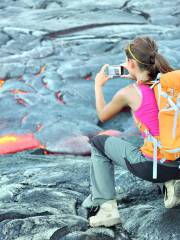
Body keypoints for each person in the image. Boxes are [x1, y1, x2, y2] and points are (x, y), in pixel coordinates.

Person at [82, 36, 180, 228]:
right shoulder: (171, 84)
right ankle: (172, 184)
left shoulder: (129, 93)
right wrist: (137, 74)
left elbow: (102, 115)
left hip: (154, 167)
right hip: (177, 161)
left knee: (98, 143)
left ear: (131, 63)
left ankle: (107, 209)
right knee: (159, 141)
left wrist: (98, 85)